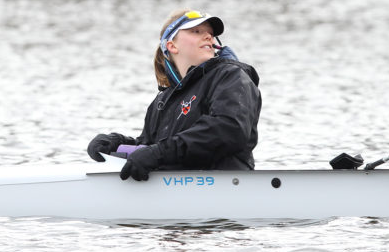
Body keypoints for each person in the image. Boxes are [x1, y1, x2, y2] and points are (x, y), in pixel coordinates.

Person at [86, 10, 261, 181]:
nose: (208, 36)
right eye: (196, 31)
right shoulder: (163, 100)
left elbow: (230, 130)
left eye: (210, 33)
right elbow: (151, 147)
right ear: (172, 45)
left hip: (224, 186)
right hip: (180, 189)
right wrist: (116, 143)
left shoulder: (231, 76)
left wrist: (157, 153)